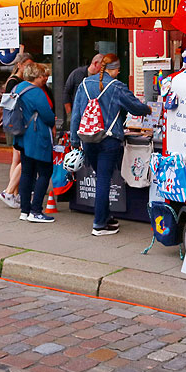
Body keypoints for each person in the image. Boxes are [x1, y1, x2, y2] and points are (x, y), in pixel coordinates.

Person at [70, 53, 152, 236]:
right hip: (109, 140)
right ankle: (99, 224)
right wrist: (149, 109)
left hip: (88, 139)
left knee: (100, 178)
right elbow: (135, 107)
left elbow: (76, 114)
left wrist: (74, 142)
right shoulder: (116, 87)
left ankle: (106, 217)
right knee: (104, 181)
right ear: (114, 69)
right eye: (118, 70)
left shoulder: (84, 84)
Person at [13, 62, 57, 223]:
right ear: (35, 76)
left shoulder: (17, 88)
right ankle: (36, 210)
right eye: (42, 76)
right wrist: (53, 121)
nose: (44, 79)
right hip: (37, 137)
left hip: (22, 136)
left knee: (26, 172)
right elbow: (48, 116)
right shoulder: (36, 92)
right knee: (45, 172)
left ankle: (24, 210)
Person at [0, 52, 33, 208]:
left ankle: (14, 193)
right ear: (19, 65)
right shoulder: (14, 82)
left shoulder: (16, 80)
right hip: (17, 124)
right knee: (21, 158)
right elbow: (12, 105)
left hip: (15, 124)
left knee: (16, 159)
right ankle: (10, 191)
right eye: (27, 65)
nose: (29, 68)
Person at [63, 53, 105, 117]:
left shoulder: (103, 78)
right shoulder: (76, 73)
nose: (104, 69)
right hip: (78, 114)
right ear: (96, 64)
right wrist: (70, 115)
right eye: (102, 66)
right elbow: (66, 93)